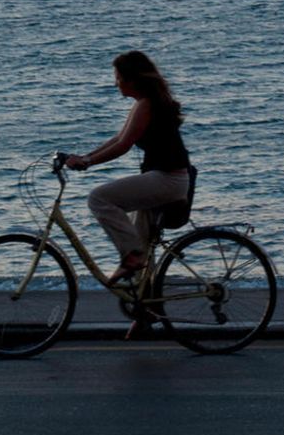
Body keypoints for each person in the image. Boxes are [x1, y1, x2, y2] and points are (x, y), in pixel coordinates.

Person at [64, 50, 192, 293]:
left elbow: (123, 146)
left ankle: (132, 256)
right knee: (141, 243)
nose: (116, 83)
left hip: (168, 179)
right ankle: (145, 312)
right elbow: (119, 138)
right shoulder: (144, 104)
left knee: (99, 198)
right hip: (166, 179)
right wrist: (84, 157)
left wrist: (87, 162)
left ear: (133, 79)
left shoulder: (147, 105)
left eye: (118, 77)